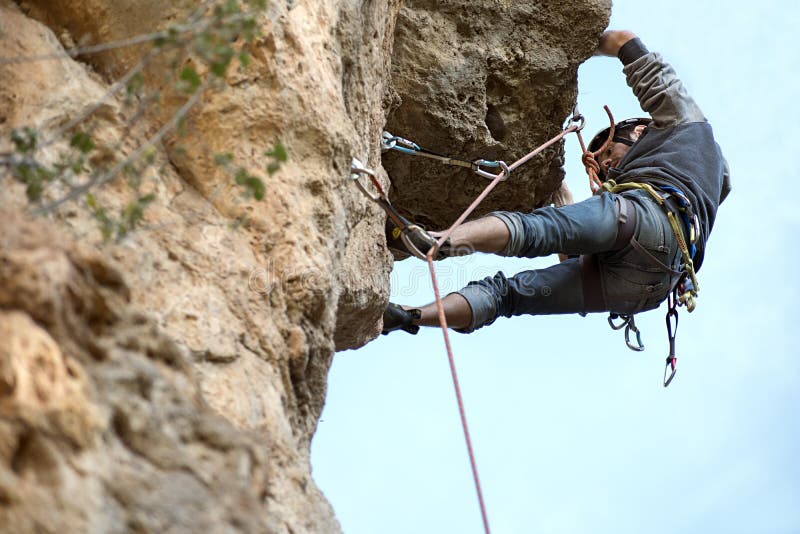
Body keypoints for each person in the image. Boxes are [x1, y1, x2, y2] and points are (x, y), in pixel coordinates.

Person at [381, 30, 731, 336]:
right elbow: (574, 259)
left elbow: (623, 40)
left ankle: (441, 241)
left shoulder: (682, 121)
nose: (604, 165)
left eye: (608, 150)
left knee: (532, 231)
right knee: (508, 297)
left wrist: (574, 45)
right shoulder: (708, 171)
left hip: (644, 216)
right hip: (647, 289)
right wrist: (563, 198)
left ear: (638, 131)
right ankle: (409, 317)